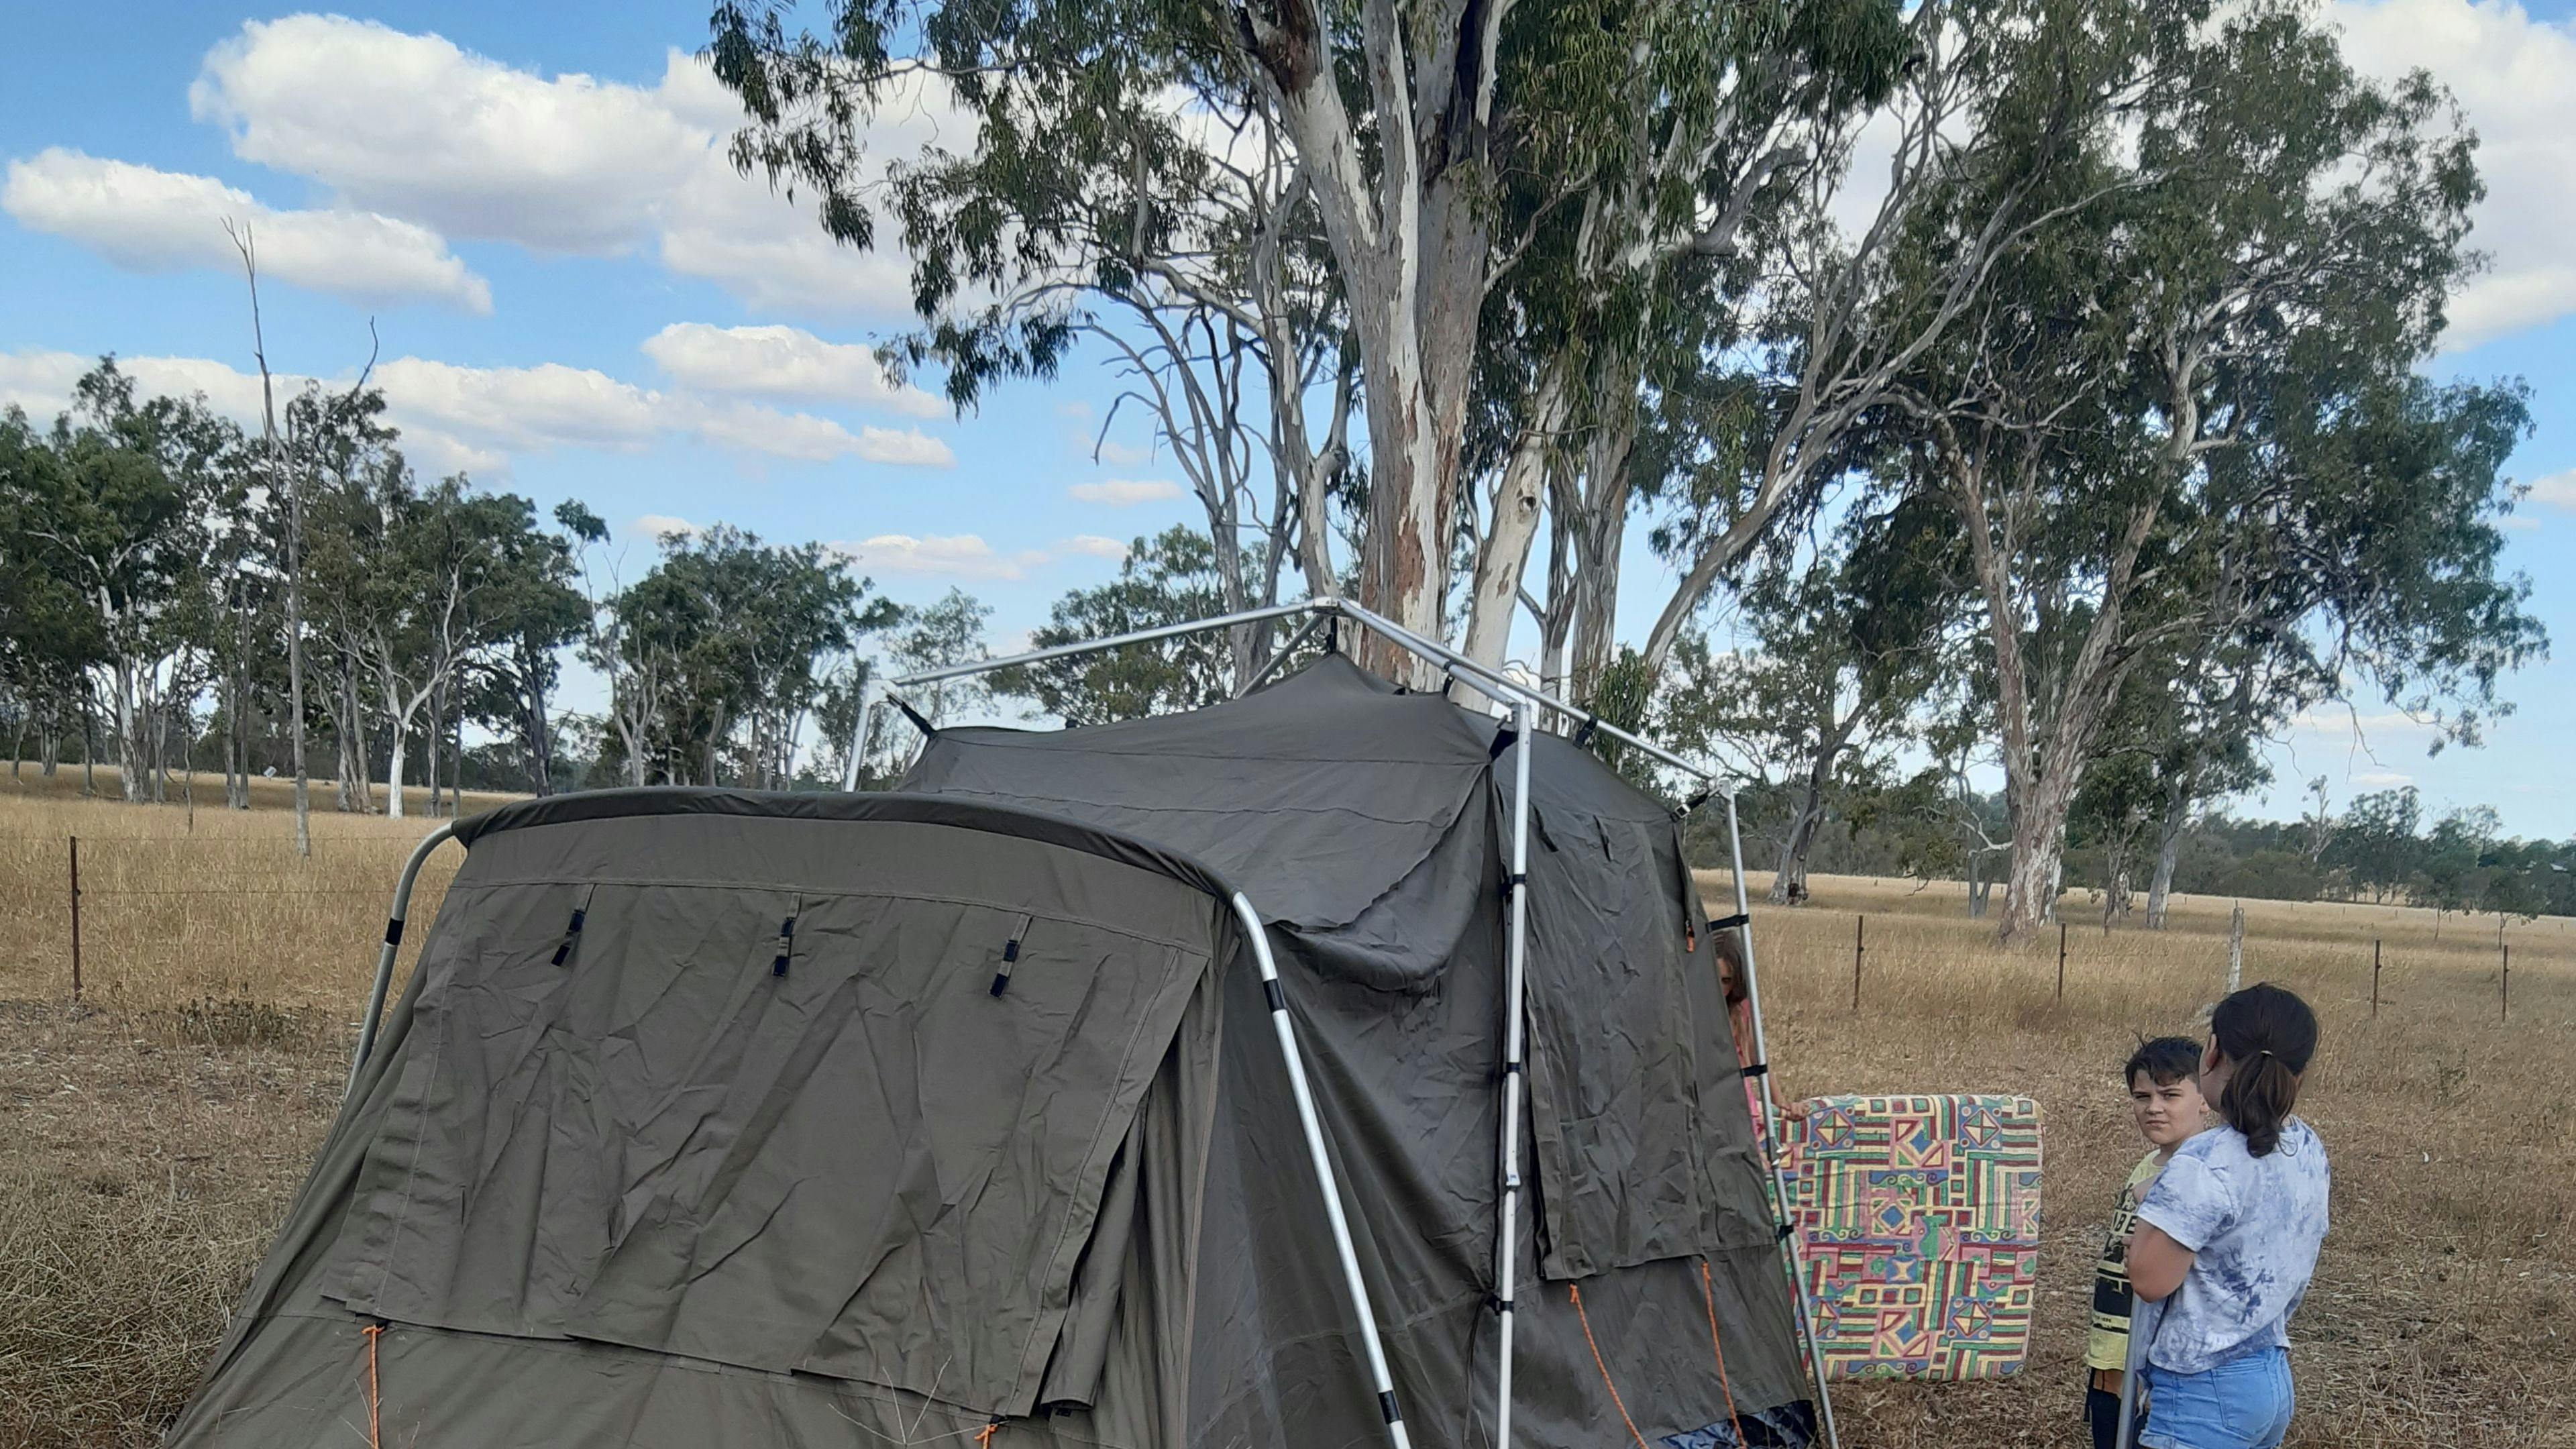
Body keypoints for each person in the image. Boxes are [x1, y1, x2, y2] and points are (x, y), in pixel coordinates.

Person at [2125, 983, 2329, 1449]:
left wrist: (2150, 1216)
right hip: (2269, 1375)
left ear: (2212, 1053)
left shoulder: (2203, 1160)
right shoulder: (2306, 1146)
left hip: (2202, 1389)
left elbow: (2149, 1278)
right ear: (2300, 1072)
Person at [2084, 1037, 2209, 1449]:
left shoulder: (2201, 1173)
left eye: (2170, 1094)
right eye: (2142, 1096)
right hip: (2113, 1348)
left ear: (2205, 1097)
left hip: (2152, 1362)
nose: (2153, 1107)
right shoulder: (2150, 1163)